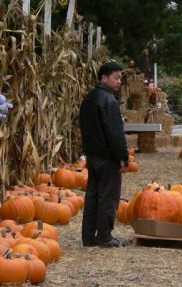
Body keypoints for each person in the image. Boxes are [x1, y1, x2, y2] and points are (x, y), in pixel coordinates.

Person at [79, 61, 129, 248]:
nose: (119, 82)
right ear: (104, 78)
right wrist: (123, 157)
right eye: (116, 78)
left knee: (93, 195)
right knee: (108, 196)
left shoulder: (89, 98)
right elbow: (115, 133)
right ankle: (105, 236)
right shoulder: (108, 101)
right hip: (108, 157)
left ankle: (89, 235)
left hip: (92, 155)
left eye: (120, 78)